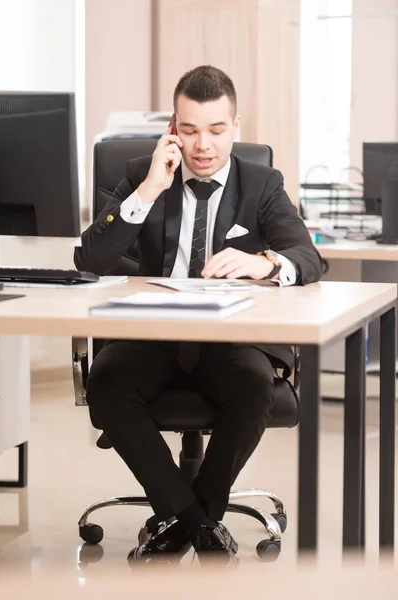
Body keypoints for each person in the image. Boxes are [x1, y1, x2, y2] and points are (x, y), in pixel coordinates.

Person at [74, 65, 323, 562]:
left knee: (255, 387)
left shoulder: (262, 182)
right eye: (188, 130)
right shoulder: (140, 175)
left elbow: (310, 258)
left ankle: (183, 522)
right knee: (108, 382)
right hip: (152, 336)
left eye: (215, 129)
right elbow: (91, 260)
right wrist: (147, 192)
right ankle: (202, 527)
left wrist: (264, 261)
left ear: (237, 128)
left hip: (230, 339)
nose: (203, 145)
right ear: (173, 128)